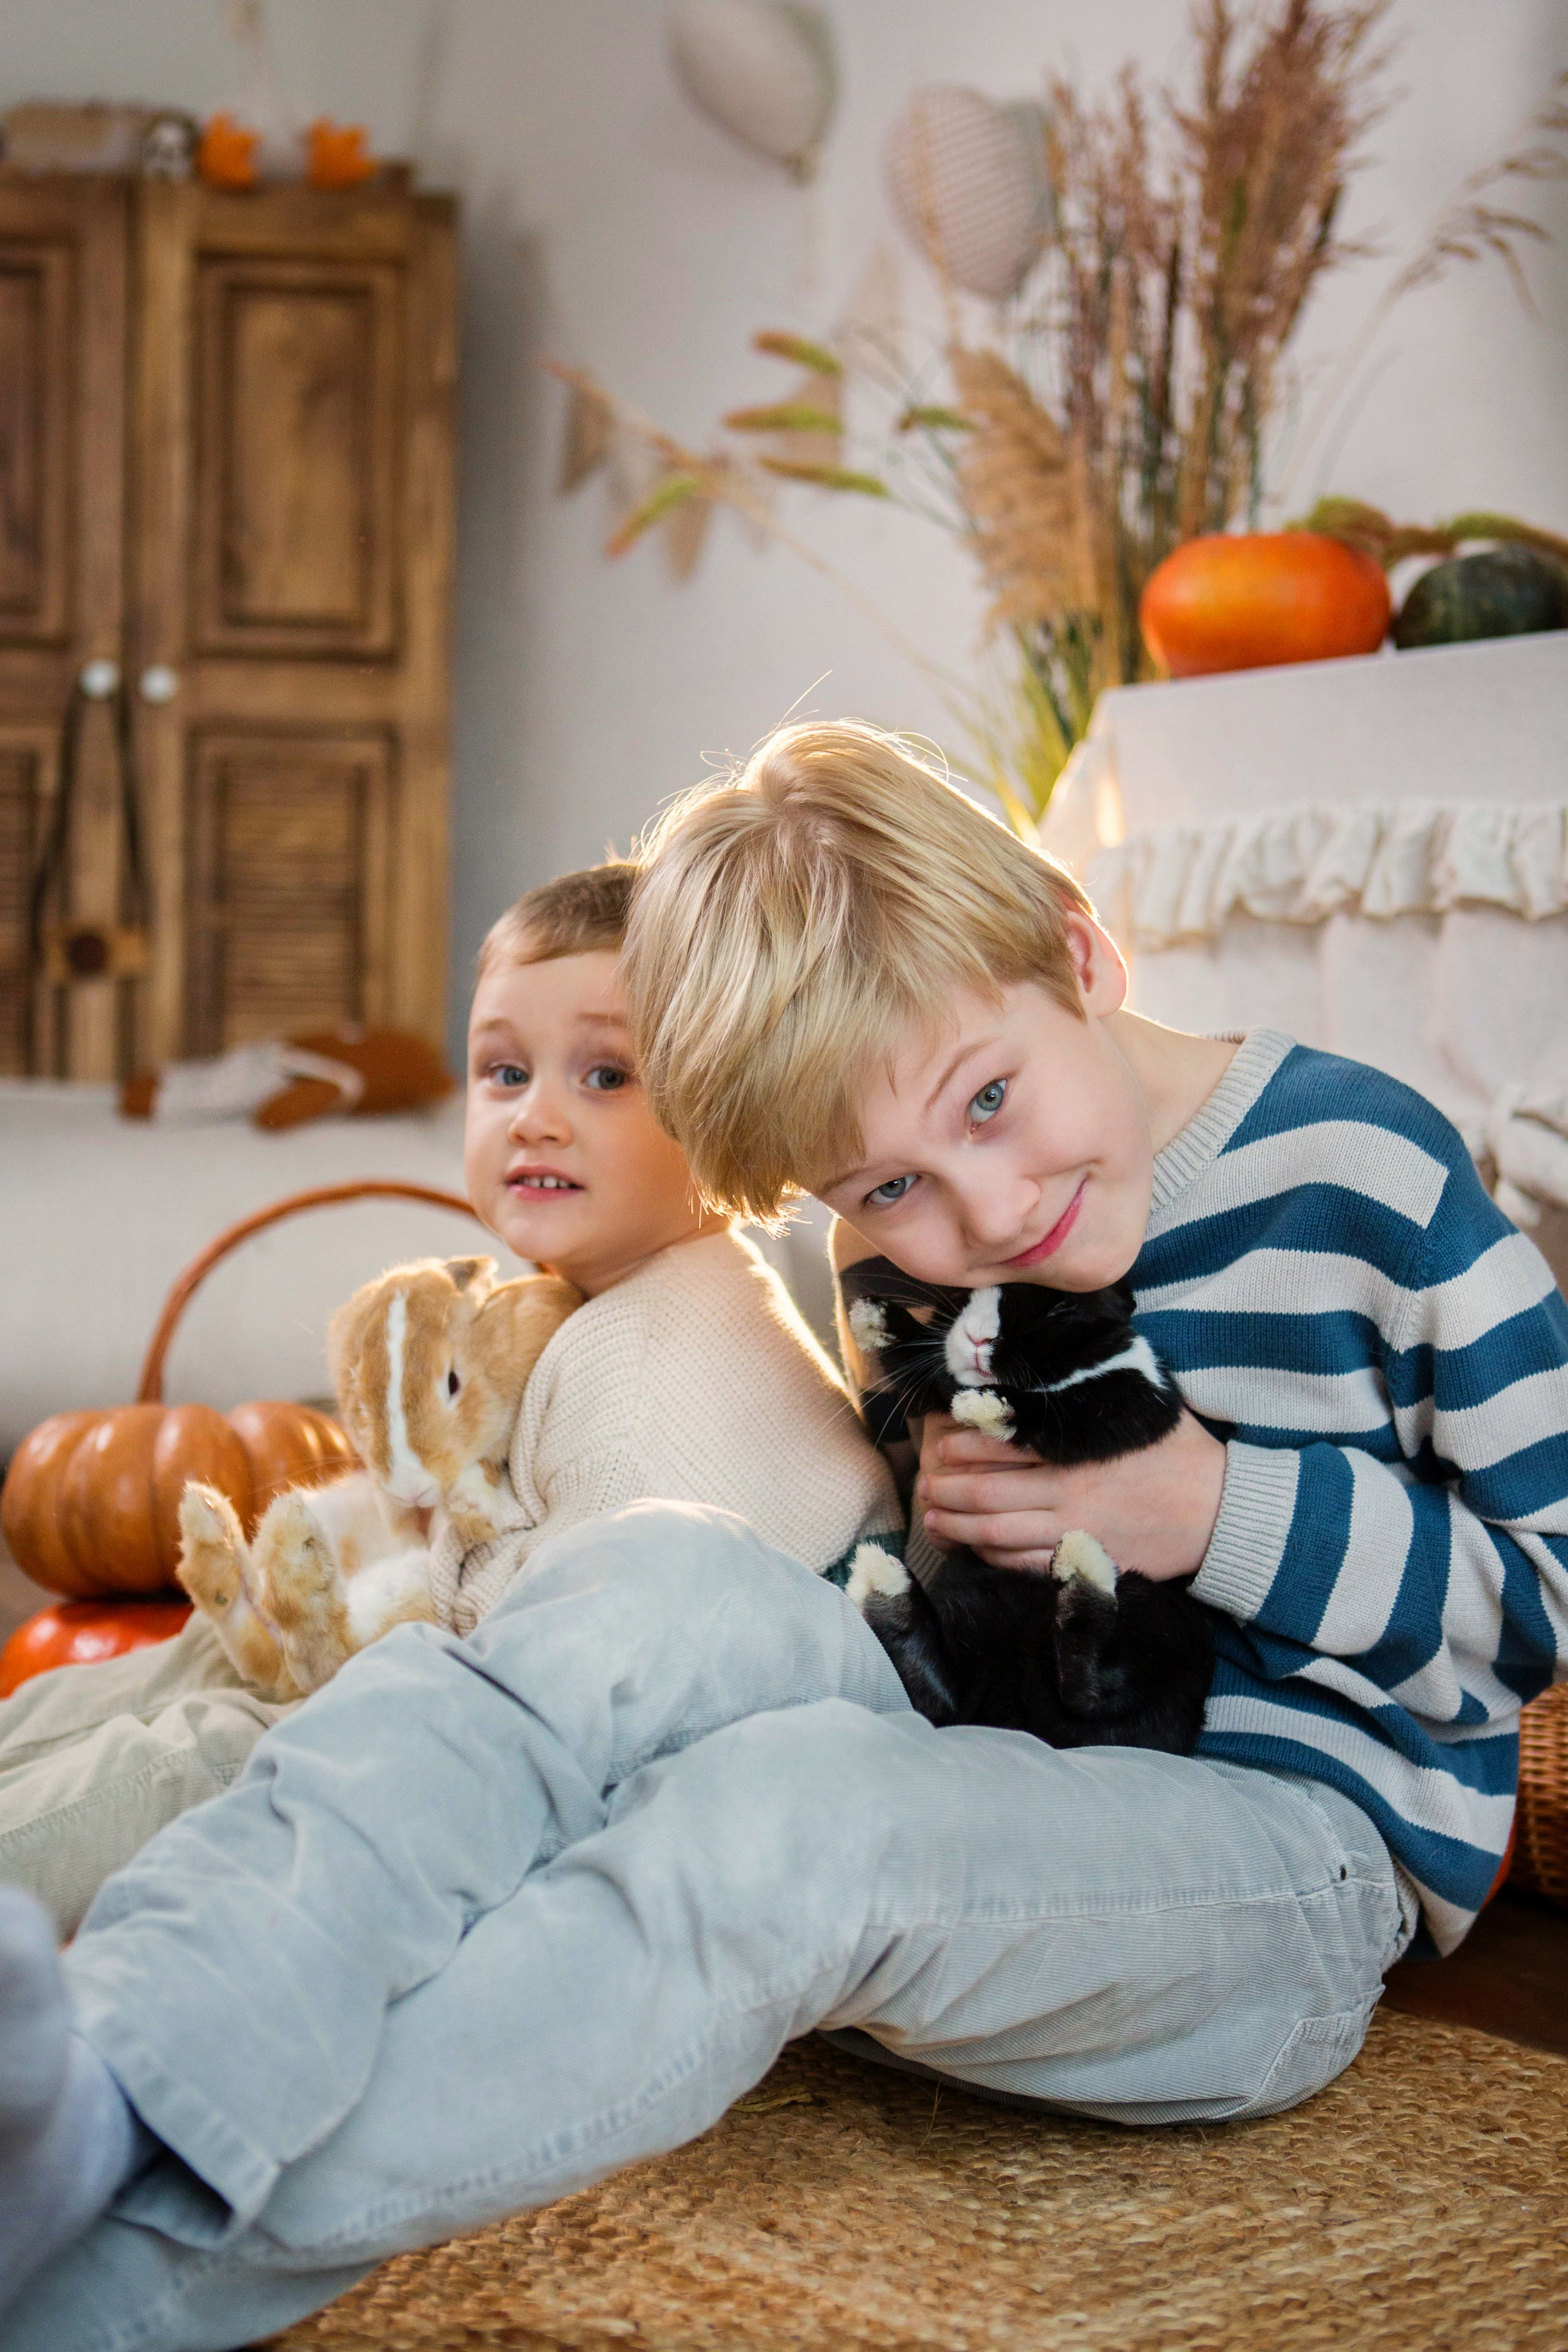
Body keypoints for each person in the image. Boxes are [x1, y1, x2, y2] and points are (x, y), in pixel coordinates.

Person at [2, 723, 1564, 2352]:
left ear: (1076, 943)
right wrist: (957, 1529)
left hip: (1284, 1866)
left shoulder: (1362, 1166)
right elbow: (931, 1601)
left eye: (992, 1099)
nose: (979, 1217)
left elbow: (1546, 1600)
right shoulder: (904, 1261)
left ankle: (93, 2289)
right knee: (631, 1580)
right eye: (881, 1190)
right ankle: (114, 2083)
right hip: (980, 1756)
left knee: (777, 1823)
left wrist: (1208, 1509)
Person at [0, 860, 899, 1939]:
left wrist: (395, 1606)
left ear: (731, 1113)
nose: (536, 1117)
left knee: (214, 1749)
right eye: (505, 1072)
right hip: (546, 1669)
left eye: (606, 1076)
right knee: (192, 1659)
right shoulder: (588, 1302)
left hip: (674, 1752)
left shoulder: (661, 1357)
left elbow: (578, 1670)